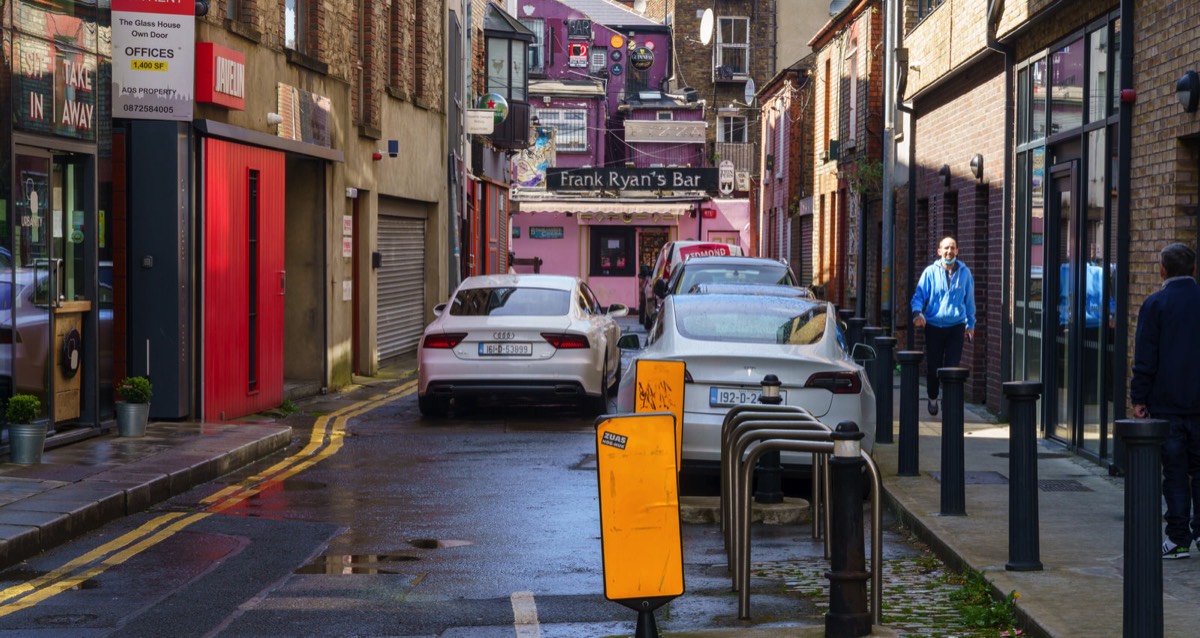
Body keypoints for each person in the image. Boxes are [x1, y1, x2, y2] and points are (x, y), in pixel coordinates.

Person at [1130, 242, 1200, 560]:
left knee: (1174, 471)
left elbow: (1146, 358)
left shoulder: (1155, 304)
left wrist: (1139, 398)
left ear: (1162, 269)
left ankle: (1178, 539)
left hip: (1167, 405)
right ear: (1194, 270)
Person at [910, 236, 976, 416]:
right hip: (934, 326)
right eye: (946, 248)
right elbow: (918, 296)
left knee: (952, 367)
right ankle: (933, 397)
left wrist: (971, 325)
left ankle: (948, 400)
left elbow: (969, 301)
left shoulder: (965, 273)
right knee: (934, 366)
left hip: (956, 326)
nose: (949, 251)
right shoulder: (930, 272)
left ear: (957, 251)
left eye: (952, 248)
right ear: (939, 251)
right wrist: (917, 313)